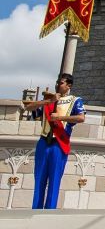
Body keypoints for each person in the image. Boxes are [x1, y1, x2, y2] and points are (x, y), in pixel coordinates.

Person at [24, 73, 86, 209]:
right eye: (57, 82)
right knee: (39, 178)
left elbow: (81, 118)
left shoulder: (75, 100)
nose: (58, 85)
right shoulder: (49, 100)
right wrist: (47, 101)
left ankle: (49, 212)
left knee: (54, 180)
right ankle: (36, 210)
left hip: (59, 143)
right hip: (43, 142)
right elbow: (28, 108)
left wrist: (61, 117)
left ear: (69, 85)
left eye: (61, 83)